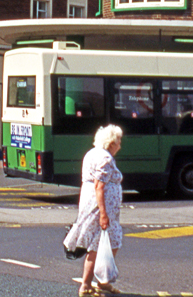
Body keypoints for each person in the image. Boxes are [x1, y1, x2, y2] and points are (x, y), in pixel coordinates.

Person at [65, 124, 124, 296]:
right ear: (112, 143)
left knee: (111, 241)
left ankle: (102, 281)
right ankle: (86, 286)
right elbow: (100, 187)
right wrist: (103, 214)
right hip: (100, 208)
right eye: (119, 141)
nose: (120, 145)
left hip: (91, 203)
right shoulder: (105, 158)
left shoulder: (92, 153)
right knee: (97, 245)